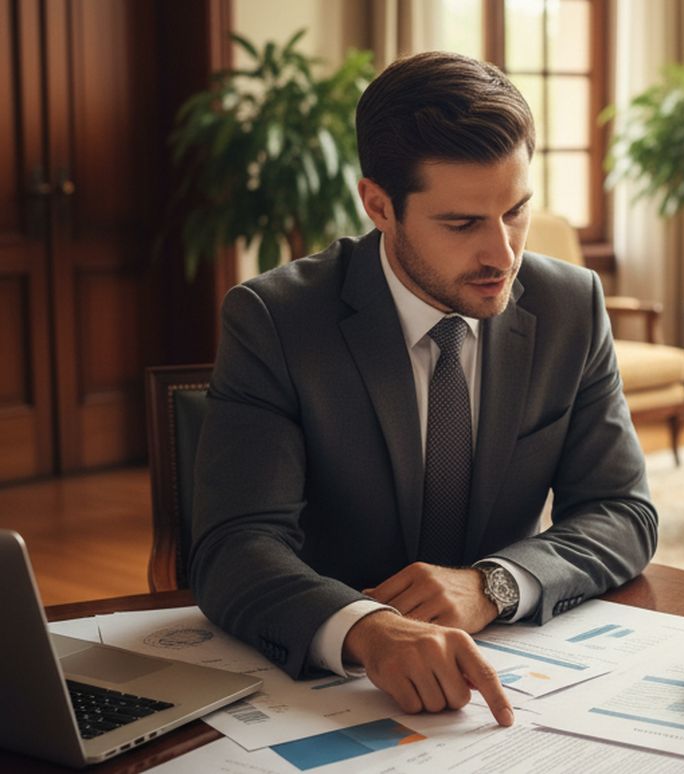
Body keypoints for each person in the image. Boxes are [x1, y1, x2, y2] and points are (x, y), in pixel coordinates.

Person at [191, 52, 658, 724]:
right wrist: (365, 627)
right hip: (337, 696)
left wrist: (491, 585)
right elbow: (234, 546)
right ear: (378, 205)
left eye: (517, 211)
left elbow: (622, 512)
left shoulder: (569, 305)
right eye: (463, 224)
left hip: (512, 687)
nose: (503, 255)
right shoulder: (276, 321)